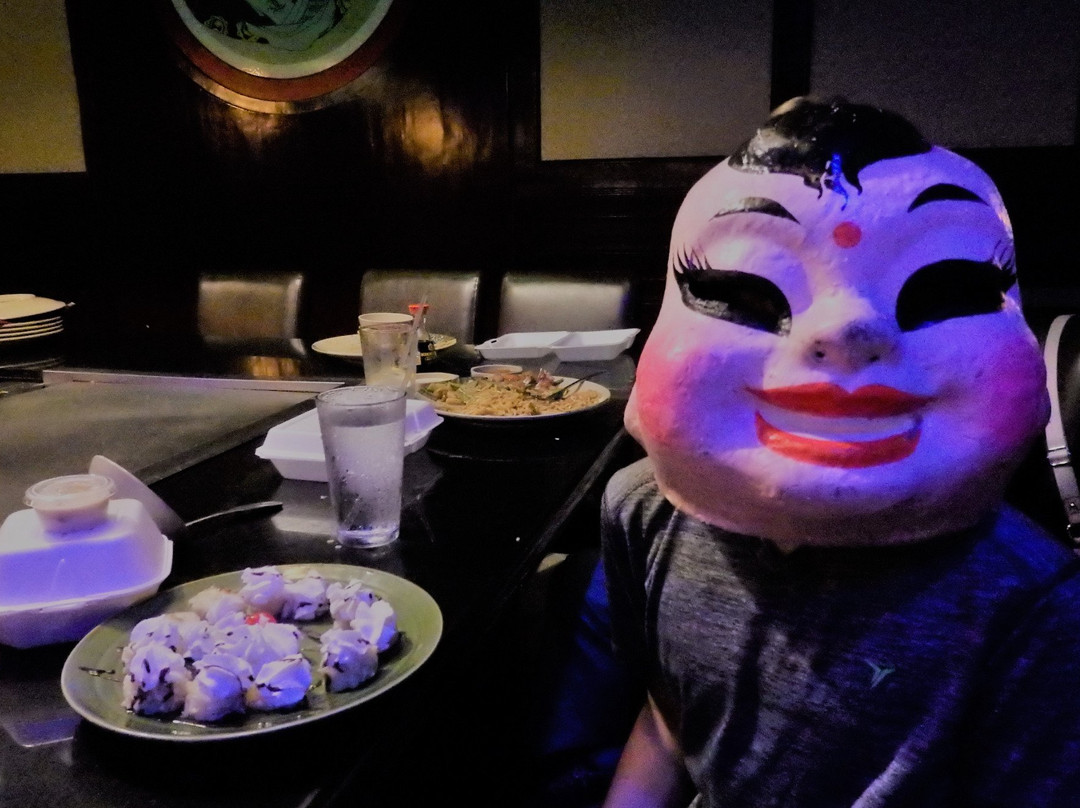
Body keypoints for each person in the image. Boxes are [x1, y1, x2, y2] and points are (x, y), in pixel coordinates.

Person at [600, 96, 1080, 807]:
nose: (848, 328)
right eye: (739, 287)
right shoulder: (643, 515)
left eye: (947, 283)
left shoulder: (1037, 609)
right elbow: (672, 717)